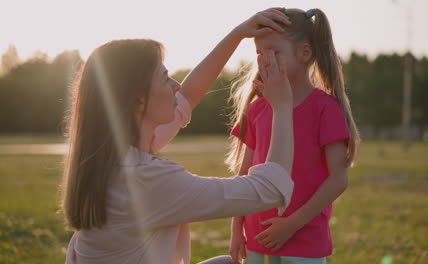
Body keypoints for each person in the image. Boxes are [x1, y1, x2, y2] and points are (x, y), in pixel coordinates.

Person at [60, 8, 296, 264]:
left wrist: (238, 34)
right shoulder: (145, 178)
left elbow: (187, 97)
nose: (177, 85)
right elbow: (270, 189)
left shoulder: (110, 156)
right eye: (165, 77)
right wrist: (282, 107)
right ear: (138, 101)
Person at [227, 8, 360, 264]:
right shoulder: (257, 108)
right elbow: (244, 175)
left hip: (304, 241)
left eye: (274, 52)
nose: (265, 60)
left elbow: (339, 179)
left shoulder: (325, 109)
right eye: (258, 54)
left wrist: (291, 224)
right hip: (257, 239)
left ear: (305, 53)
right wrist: (236, 230)